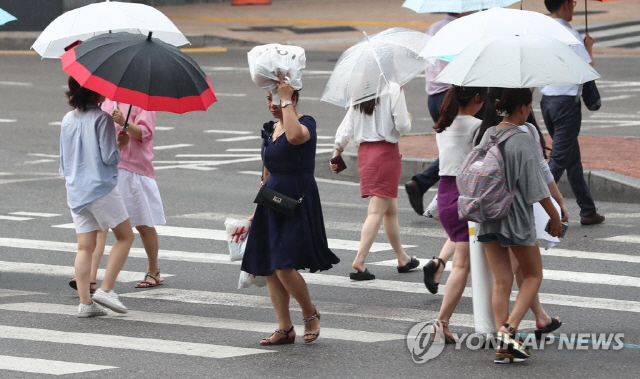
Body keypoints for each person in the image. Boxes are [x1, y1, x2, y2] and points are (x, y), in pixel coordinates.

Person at [241, 73, 339, 345]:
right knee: (270, 267)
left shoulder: (305, 123)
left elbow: (295, 137)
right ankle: (285, 328)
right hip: (272, 201)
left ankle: (310, 313)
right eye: (269, 98)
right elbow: (267, 171)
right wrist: (257, 207)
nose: (272, 103)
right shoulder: (271, 128)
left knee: (284, 265)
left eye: (278, 97)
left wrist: (286, 101)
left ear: (293, 98)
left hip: (296, 200)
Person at [475, 88, 562, 363]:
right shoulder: (522, 138)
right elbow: (536, 188)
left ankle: (503, 346)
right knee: (533, 275)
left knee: (501, 281)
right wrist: (555, 216)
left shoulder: (488, 134)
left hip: (487, 214)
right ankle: (509, 329)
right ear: (523, 108)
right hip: (514, 216)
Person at [67, 100, 166, 292]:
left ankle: (153, 270)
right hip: (110, 169)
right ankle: (91, 278)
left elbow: (146, 133)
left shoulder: (143, 103)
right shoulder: (106, 102)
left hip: (135, 170)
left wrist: (125, 123)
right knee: (100, 227)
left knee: (143, 225)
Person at [59, 76, 134, 317]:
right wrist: (121, 144)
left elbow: (64, 159)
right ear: (93, 93)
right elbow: (108, 158)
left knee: (85, 247)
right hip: (100, 189)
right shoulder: (101, 119)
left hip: (75, 190)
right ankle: (107, 289)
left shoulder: (68, 119)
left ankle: (85, 303)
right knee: (125, 237)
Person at [332, 82, 419, 281]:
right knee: (377, 210)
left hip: (366, 154)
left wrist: (337, 151)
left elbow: (348, 125)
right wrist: (408, 118)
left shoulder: (361, 89)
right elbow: (402, 126)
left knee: (390, 210)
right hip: (385, 153)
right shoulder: (393, 88)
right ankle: (360, 261)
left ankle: (402, 258)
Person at [425, 86, 487, 341]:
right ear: (477, 98)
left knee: (465, 262)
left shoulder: (443, 126)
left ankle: (444, 324)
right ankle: (441, 323)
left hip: (445, 194)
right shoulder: (478, 127)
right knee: (463, 265)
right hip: (466, 193)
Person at [540, 0, 604, 226]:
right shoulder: (570, 35)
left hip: (547, 101)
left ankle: (587, 209)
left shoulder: (542, 31)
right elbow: (586, 70)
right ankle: (534, 205)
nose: (575, 7)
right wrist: (588, 49)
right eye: (574, 2)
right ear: (566, 4)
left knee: (571, 159)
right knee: (559, 158)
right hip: (566, 102)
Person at [405, 12, 472, 216]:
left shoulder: (434, 27)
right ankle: (425, 184)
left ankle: (427, 188)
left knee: (452, 147)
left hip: (433, 96)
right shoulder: (461, 30)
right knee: (463, 147)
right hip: (450, 95)